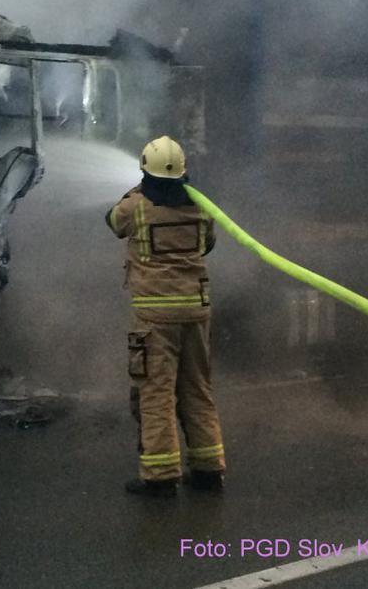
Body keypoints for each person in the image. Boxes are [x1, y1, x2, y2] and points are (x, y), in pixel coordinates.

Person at [105, 135, 225, 496]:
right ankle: (208, 470)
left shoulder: (136, 207)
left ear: (146, 172)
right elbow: (208, 244)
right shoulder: (201, 206)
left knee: (155, 393)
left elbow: (112, 221)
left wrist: (135, 190)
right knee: (197, 389)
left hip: (155, 318)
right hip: (196, 313)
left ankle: (160, 476)